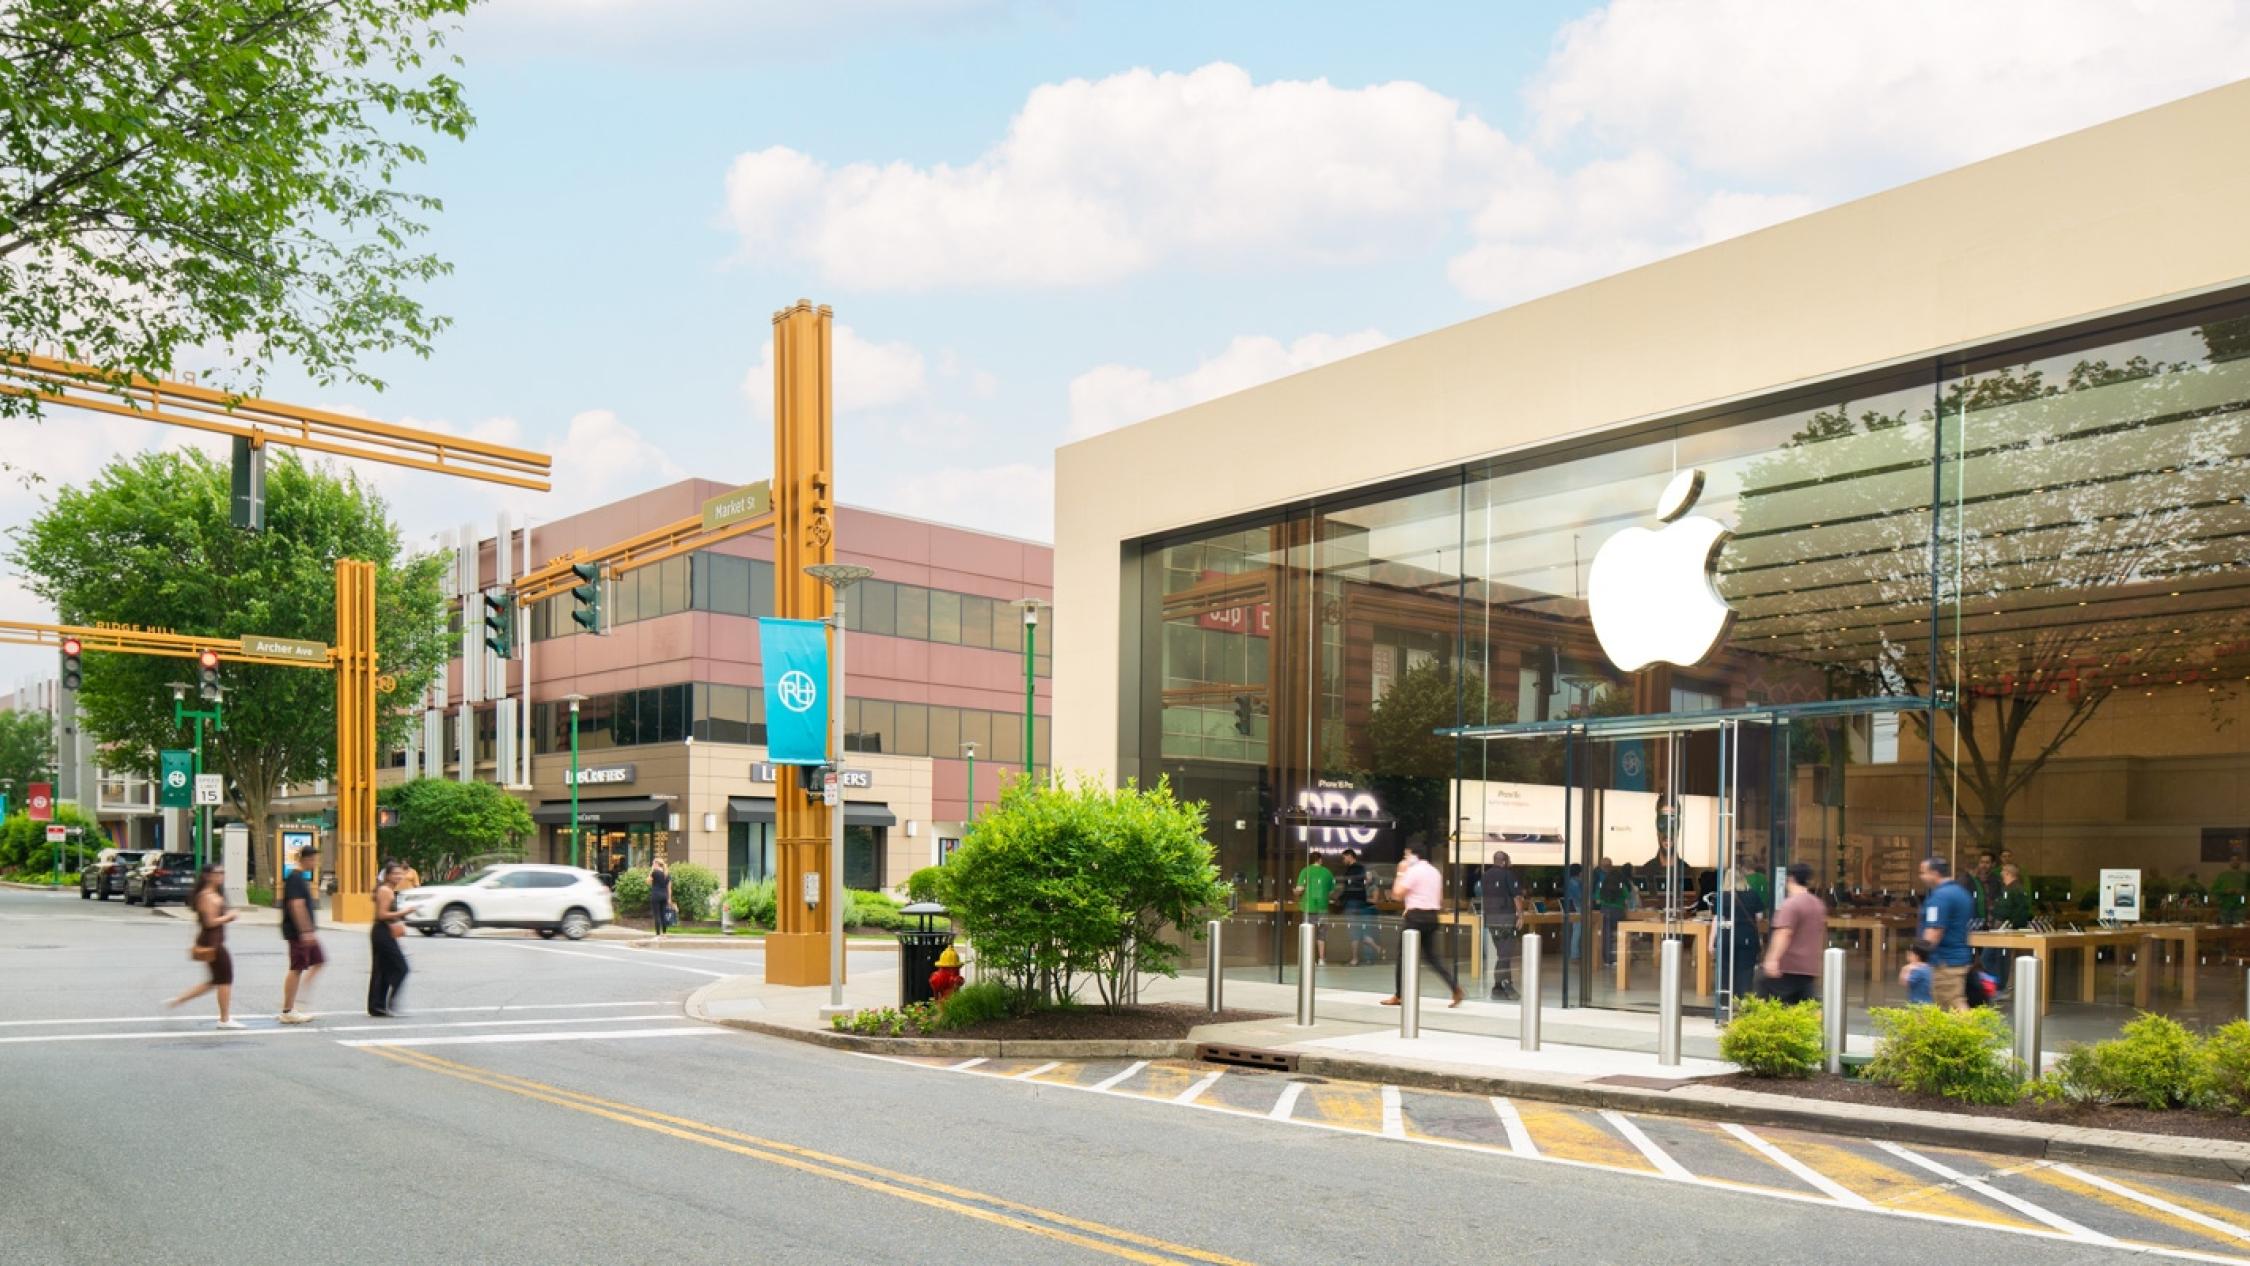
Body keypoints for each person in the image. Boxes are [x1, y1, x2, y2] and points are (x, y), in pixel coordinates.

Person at [1381, 839, 1463, 1009]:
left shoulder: (1413, 871)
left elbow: (1396, 894)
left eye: (1406, 855)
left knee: (1402, 956)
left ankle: (1399, 995)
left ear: (1414, 855)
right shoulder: (1435, 872)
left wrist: (1400, 872)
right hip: (1432, 917)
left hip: (1415, 917)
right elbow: (1439, 900)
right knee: (1432, 957)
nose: (1405, 859)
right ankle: (1454, 987)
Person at [167, 865, 241, 1029]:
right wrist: (229, 916)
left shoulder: (214, 894)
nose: (221, 875)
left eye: (223, 872)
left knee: (215, 980)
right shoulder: (206, 896)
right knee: (225, 979)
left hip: (213, 941)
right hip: (213, 943)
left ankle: (179, 1000)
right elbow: (210, 922)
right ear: (208, 876)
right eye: (218, 873)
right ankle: (224, 1019)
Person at [1758, 861, 1825, 1003]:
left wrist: (1772, 959)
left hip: (1787, 967)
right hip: (1809, 968)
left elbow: (1784, 933)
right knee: (1803, 1007)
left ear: (1790, 878)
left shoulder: (1791, 904)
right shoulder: (1818, 905)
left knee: (1768, 1002)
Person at [1918, 855, 1975, 1011]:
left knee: (1952, 1003)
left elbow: (1934, 932)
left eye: (1923, 872)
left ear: (1935, 873)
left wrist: (1918, 958)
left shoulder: (1940, 897)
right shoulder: (1961, 893)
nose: (1921, 877)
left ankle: (1973, 1027)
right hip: (1959, 958)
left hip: (1944, 961)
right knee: (1950, 1004)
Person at [279, 843, 325, 1024]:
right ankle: (288, 1010)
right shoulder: (295, 878)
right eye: (314, 860)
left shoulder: (300, 878)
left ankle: (298, 1000)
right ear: (307, 859)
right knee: (296, 968)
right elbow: (296, 905)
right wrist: (305, 931)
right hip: (299, 932)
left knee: (319, 961)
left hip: (306, 932)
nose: (316, 864)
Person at [368, 861, 414, 1017]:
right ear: (387, 875)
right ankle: (390, 1004)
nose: (398, 876)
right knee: (401, 968)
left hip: (384, 931)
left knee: (383, 969)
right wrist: (404, 912)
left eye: (400, 873)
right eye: (395, 873)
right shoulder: (385, 891)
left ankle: (377, 1006)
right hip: (381, 931)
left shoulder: (387, 890)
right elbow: (382, 915)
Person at [1714, 868, 1764, 1004]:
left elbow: (1718, 919)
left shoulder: (1722, 896)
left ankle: (1725, 1000)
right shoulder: (1752, 894)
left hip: (1727, 936)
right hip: (1747, 936)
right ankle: (1743, 1000)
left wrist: (1712, 940)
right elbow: (1759, 916)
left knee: (1725, 968)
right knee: (1745, 969)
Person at [1479, 850, 1523, 1000]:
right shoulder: (1508, 874)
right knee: (1505, 954)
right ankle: (1502, 986)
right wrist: (1520, 915)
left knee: (1502, 953)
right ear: (1504, 861)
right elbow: (1517, 897)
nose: (1511, 863)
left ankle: (1500, 988)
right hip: (1506, 918)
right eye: (1509, 860)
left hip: (1491, 919)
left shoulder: (1485, 876)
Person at [1336, 848, 1381, 967]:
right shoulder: (1361, 869)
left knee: (1354, 932)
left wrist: (1340, 899)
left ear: (1350, 856)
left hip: (1353, 903)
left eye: (1344, 857)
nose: (1343, 860)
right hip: (1360, 903)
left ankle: (1355, 959)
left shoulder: (1353, 869)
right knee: (1361, 931)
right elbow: (1364, 883)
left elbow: (1350, 888)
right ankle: (1370, 954)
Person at [1292, 851, 1335, 966]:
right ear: (1320, 860)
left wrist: (1295, 892)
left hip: (1308, 907)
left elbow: (1300, 889)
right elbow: (1331, 891)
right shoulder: (1327, 872)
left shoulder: (1305, 871)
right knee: (1321, 934)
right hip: (1323, 907)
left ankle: (1310, 960)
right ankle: (1321, 959)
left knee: (1309, 933)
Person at [1562, 862, 1584, 962]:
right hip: (1577, 907)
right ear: (1579, 872)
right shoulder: (1575, 883)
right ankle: (1575, 954)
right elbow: (1580, 896)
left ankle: (1572, 952)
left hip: (1571, 907)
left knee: (1574, 930)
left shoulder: (1569, 881)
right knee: (1577, 930)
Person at [649, 856, 674, 937]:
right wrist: (669, 899)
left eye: (653, 863)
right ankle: (664, 933)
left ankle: (657, 934)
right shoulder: (667, 874)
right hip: (664, 896)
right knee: (663, 915)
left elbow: (648, 881)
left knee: (657, 915)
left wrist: (651, 871)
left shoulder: (655, 872)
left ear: (656, 864)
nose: (652, 865)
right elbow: (669, 888)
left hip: (656, 895)